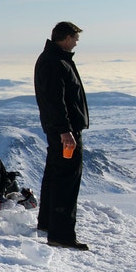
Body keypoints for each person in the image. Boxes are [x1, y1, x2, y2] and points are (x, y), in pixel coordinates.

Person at [35, 21, 90, 250]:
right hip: (64, 131)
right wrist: (65, 130)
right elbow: (55, 101)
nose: (77, 42)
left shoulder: (55, 59)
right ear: (66, 38)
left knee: (55, 174)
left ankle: (48, 223)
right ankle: (62, 234)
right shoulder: (55, 62)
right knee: (66, 180)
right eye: (75, 38)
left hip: (59, 129)